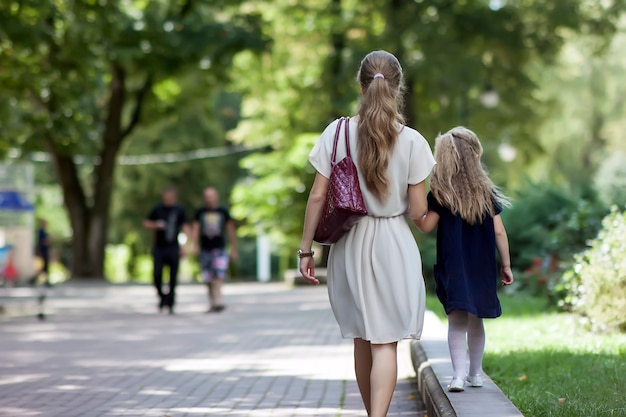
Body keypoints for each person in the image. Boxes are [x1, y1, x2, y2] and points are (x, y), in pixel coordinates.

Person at [299, 50, 436, 417]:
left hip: (350, 245)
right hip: (394, 244)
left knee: (363, 338)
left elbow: (317, 195)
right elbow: (419, 212)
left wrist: (305, 250)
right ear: (398, 87)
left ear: (360, 86)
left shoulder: (337, 131)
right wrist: (440, 213)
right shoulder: (414, 142)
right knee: (385, 343)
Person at [414, 126, 514, 392]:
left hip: (454, 266)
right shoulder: (486, 193)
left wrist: (411, 210)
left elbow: (425, 226)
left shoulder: (440, 193)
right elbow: (499, 232)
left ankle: (458, 376)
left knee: (456, 321)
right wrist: (505, 265)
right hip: (481, 267)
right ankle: (476, 374)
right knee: (476, 319)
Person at [143, 186, 188, 314]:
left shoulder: (179, 210)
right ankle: (163, 298)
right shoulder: (158, 209)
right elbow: (146, 222)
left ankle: (171, 303)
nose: (167, 199)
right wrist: (156, 225)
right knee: (157, 274)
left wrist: (185, 246)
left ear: (174, 197)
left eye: (170, 197)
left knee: (173, 277)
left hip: (173, 247)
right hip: (159, 247)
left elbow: (185, 227)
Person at [192, 187, 238, 313]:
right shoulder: (200, 212)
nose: (209, 198)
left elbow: (230, 231)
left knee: (219, 275)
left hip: (220, 248)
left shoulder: (223, 212)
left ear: (216, 196)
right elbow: (195, 229)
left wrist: (234, 249)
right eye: (206, 196)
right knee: (207, 278)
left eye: (211, 196)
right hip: (205, 249)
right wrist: (194, 245)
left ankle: (218, 301)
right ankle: (212, 302)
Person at [36, 219, 52, 287]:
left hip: (44, 251)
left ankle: (45, 280)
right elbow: (43, 242)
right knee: (43, 266)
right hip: (43, 251)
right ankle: (41, 280)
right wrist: (50, 239)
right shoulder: (41, 231)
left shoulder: (43, 231)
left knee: (45, 266)